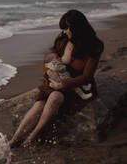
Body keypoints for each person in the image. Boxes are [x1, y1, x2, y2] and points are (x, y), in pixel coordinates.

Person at [9, 9, 104, 147]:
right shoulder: (62, 40)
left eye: (66, 29)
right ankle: (14, 139)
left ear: (77, 28)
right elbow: (49, 60)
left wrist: (63, 84)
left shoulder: (94, 46)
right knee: (39, 105)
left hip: (76, 86)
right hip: (54, 81)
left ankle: (31, 137)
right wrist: (49, 72)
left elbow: (87, 77)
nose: (64, 32)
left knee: (55, 98)